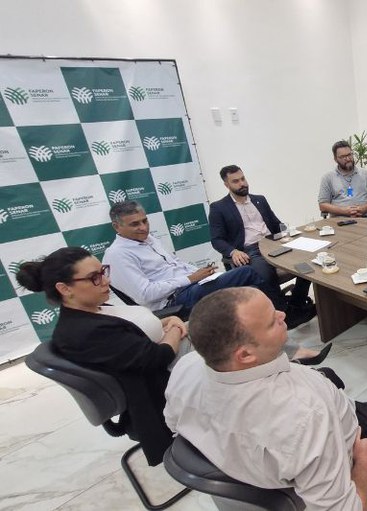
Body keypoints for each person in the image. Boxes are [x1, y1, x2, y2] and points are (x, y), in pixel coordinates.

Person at [164, 287, 367, 510]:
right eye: (272, 321)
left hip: (276, 446)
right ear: (245, 355)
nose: (284, 314)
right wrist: (362, 467)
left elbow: (176, 426)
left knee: (328, 376)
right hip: (351, 438)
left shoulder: (186, 368)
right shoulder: (304, 415)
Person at [16, 247, 188, 466]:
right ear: (65, 288)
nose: (105, 281)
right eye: (94, 278)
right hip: (166, 381)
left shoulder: (95, 310)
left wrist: (168, 322)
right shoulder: (84, 332)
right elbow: (158, 357)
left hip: (172, 350)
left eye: (103, 272)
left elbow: (133, 330)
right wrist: (174, 326)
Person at [103, 200, 315, 330]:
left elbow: (174, 264)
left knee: (248, 282)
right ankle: (286, 314)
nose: (143, 227)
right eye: (135, 224)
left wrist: (199, 274)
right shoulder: (117, 255)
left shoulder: (148, 240)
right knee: (247, 274)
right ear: (116, 226)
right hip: (174, 302)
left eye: (144, 221)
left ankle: (272, 316)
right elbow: (145, 294)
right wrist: (191, 278)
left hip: (190, 285)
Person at [208, 164, 315, 313]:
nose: (242, 183)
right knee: (264, 274)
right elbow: (216, 239)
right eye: (235, 181)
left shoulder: (259, 200)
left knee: (309, 261)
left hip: (273, 242)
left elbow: (277, 224)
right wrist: (233, 252)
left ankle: (297, 302)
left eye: (243, 179)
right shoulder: (219, 208)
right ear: (226, 185)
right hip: (250, 250)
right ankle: (283, 314)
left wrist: (291, 232)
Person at [318, 140, 367, 218]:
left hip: (365, 217)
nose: (348, 159)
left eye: (349, 154)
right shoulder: (328, 177)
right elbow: (322, 205)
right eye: (343, 157)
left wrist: (365, 208)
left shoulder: (365, 174)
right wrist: (344, 211)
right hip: (339, 220)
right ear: (335, 159)